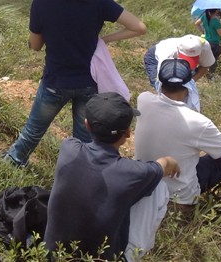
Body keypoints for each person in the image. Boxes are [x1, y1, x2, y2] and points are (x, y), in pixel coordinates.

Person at [3, 0, 147, 167]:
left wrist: (41, 8)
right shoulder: (99, 2)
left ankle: (14, 161)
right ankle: (80, 171)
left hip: (55, 82)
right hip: (89, 82)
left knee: (33, 130)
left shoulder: (41, 3)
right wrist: (104, 39)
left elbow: (35, 46)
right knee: (84, 139)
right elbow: (139, 27)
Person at [44, 93, 180, 260]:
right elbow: (163, 166)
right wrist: (170, 160)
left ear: (86, 125)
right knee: (159, 187)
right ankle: (134, 255)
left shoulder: (69, 148)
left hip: (52, 256)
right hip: (102, 257)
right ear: (128, 133)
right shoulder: (134, 172)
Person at [134, 59, 221, 208]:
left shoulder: (143, 100)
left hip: (145, 185)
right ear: (188, 86)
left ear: (160, 83)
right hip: (179, 196)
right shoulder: (198, 122)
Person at [142, 34, 215, 111]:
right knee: (164, 87)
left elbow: (205, 66)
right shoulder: (167, 53)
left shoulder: (204, 46)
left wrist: (191, 81)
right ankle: (162, 108)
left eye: (193, 58)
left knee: (181, 87)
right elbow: (161, 81)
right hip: (154, 57)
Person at [195, 8, 221, 73]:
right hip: (214, 44)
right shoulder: (215, 21)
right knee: (212, 62)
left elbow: (196, 23)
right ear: (216, 11)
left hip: (205, 42)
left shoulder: (204, 17)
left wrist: (203, 31)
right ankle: (210, 75)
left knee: (203, 60)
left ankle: (198, 73)